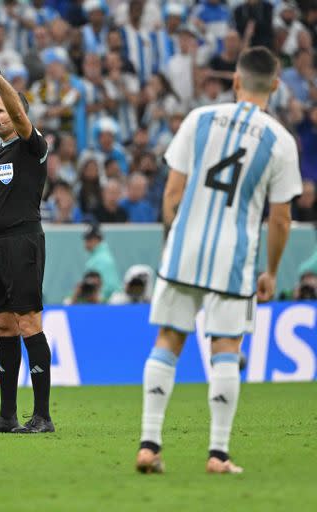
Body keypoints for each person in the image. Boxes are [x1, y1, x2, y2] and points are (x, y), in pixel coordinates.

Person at [136, 47, 302, 475]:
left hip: (185, 247)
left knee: (169, 339)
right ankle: (218, 454)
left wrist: (174, 238)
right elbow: (280, 219)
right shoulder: (281, 142)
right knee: (226, 347)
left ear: (235, 81)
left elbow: (173, 192)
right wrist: (271, 271)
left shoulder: (199, 119)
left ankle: (149, 445)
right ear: (276, 86)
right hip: (235, 256)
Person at [0, 47, 54, 435]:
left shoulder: (33, 147)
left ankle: (42, 416)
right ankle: (6, 416)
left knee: (27, 322)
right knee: (3, 325)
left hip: (23, 243)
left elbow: (20, 113)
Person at [83, 223, 121, 301]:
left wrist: (100, 303)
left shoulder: (102, 259)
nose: (86, 243)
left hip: (107, 303)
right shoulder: (98, 257)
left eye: (89, 239)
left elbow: (110, 286)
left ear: (97, 240)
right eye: (86, 239)